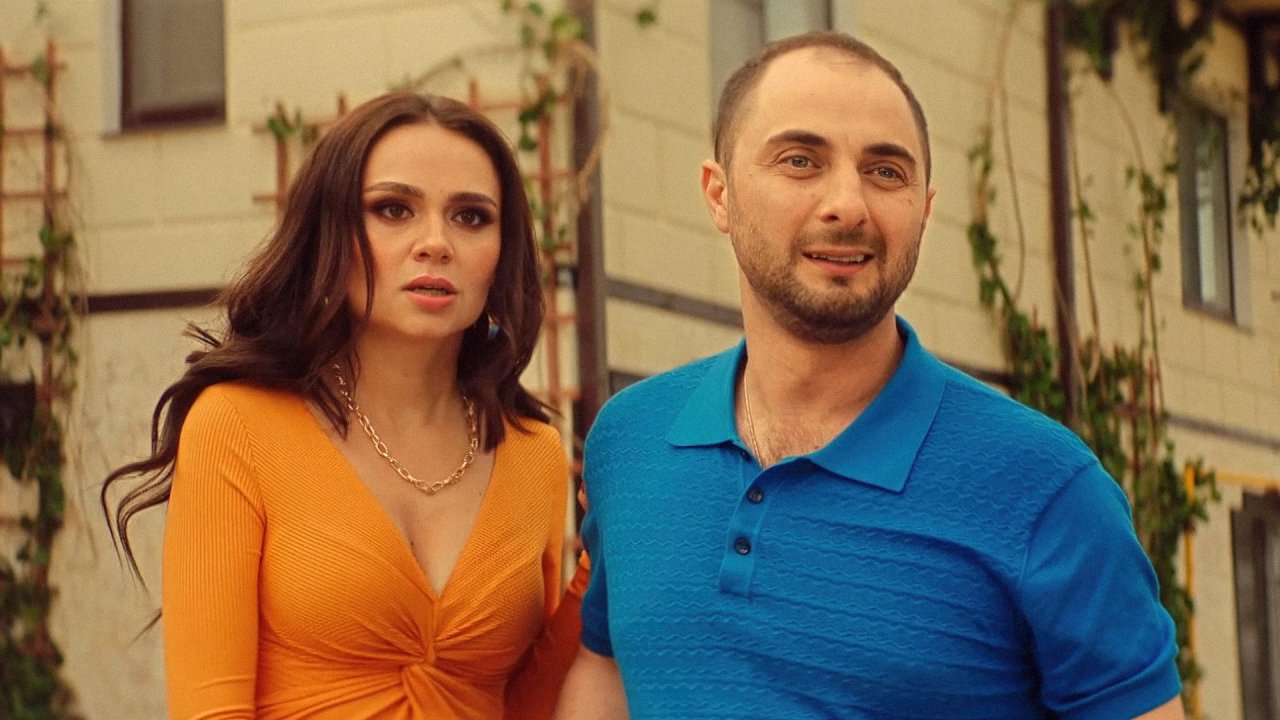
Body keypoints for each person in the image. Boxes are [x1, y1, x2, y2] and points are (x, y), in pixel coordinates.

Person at [553, 31, 1185, 720]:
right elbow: (607, 665)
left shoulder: (1045, 488)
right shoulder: (630, 440)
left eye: (886, 172)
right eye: (800, 161)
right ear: (719, 194)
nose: (848, 204)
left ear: (924, 209)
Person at [102, 91, 587, 720]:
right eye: (393, 209)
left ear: (502, 253)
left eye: (470, 217)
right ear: (330, 233)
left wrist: (599, 569)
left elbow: (526, 707)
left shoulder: (534, 454)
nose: (435, 243)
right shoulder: (236, 426)